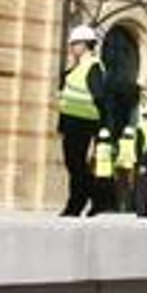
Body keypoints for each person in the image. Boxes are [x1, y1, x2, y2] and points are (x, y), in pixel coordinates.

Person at [58, 23, 106, 217]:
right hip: (72, 123)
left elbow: (100, 97)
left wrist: (103, 127)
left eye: (74, 43)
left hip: (83, 122)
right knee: (75, 164)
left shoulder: (93, 66)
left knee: (76, 165)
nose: (72, 48)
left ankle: (86, 201)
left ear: (85, 44)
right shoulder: (77, 68)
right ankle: (84, 201)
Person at [91, 127, 117, 214]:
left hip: (99, 172)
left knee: (98, 191)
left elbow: (93, 159)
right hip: (108, 172)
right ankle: (108, 206)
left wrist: (93, 170)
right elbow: (114, 157)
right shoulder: (111, 147)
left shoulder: (97, 148)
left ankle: (99, 206)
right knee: (109, 191)